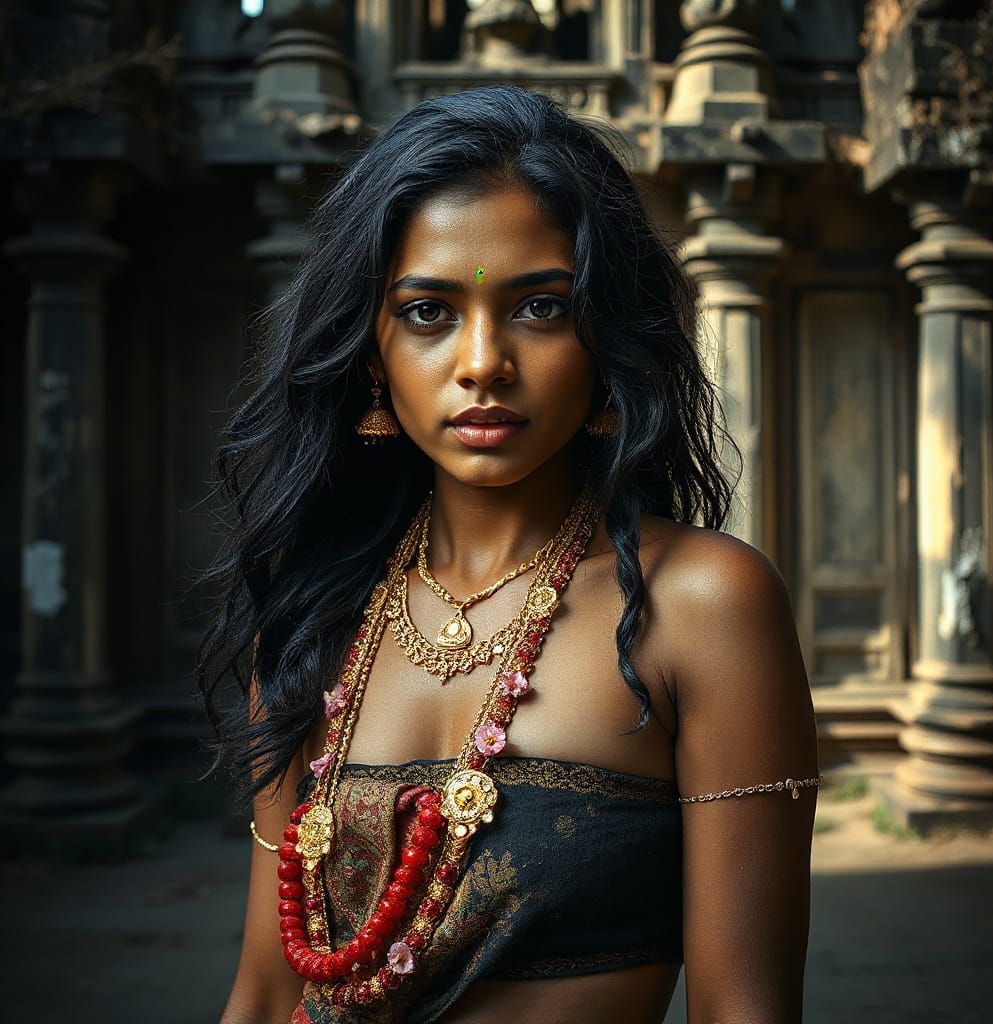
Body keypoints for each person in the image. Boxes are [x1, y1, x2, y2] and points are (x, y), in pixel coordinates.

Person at [197, 84, 821, 1024]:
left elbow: (747, 1010)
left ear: (605, 338)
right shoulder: (312, 621)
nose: (482, 360)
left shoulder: (700, 605)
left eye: (538, 307)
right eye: (428, 312)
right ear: (372, 359)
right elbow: (265, 991)